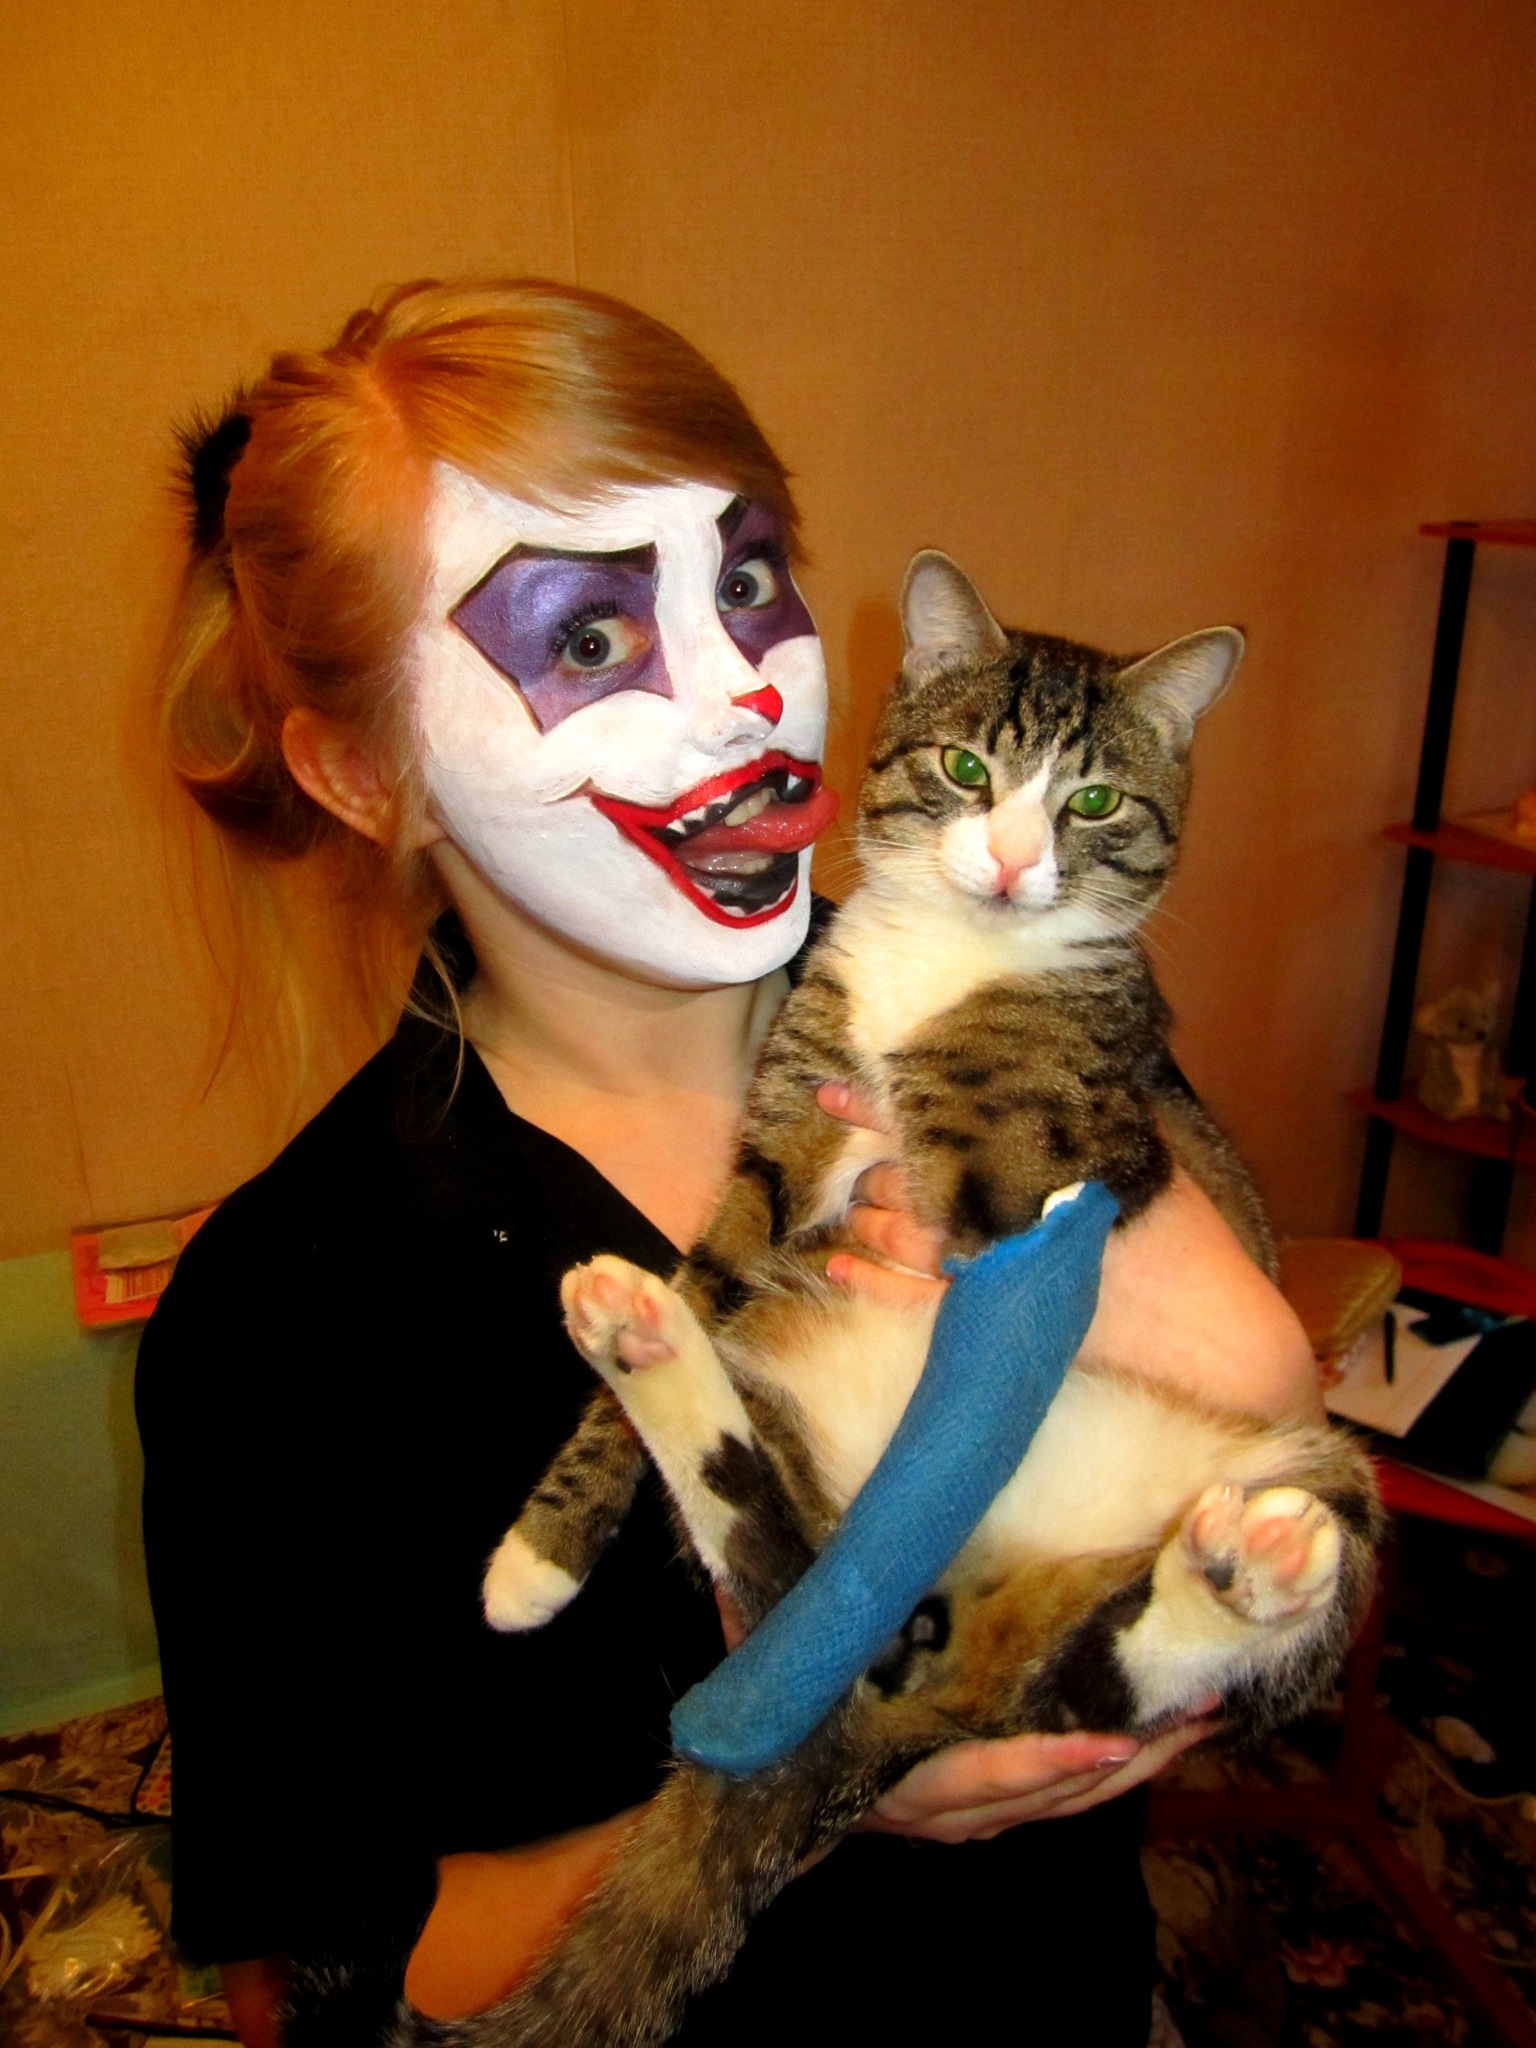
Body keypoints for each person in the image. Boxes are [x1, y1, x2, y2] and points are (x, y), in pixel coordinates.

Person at [136, 279, 1319, 2048]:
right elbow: (318, 1978)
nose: (740, 697)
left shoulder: (1009, 1006)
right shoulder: (286, 1310)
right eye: (590, 640)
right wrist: (826, 1793)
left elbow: (1251, 1437)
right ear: (369, 775)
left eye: (750, 585)